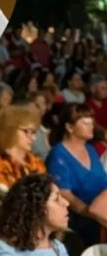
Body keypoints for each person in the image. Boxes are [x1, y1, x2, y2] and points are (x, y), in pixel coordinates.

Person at [46, 103, 107, 247]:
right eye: (85, 122)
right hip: (80, 222)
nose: (91, 125)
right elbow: (64, 193)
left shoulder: (90, 149)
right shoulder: (58, 154)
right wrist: (90, 212)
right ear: (69, 127)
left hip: (100, 216)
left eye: (91, 121)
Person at [0, 105, 47, 228]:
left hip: (37, 222)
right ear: (10, 130)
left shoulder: (35, 161)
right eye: (27, 132)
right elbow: (3, 205)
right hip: (8, 226)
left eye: (34, 132)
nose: (33, 137)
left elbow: (47, 194)